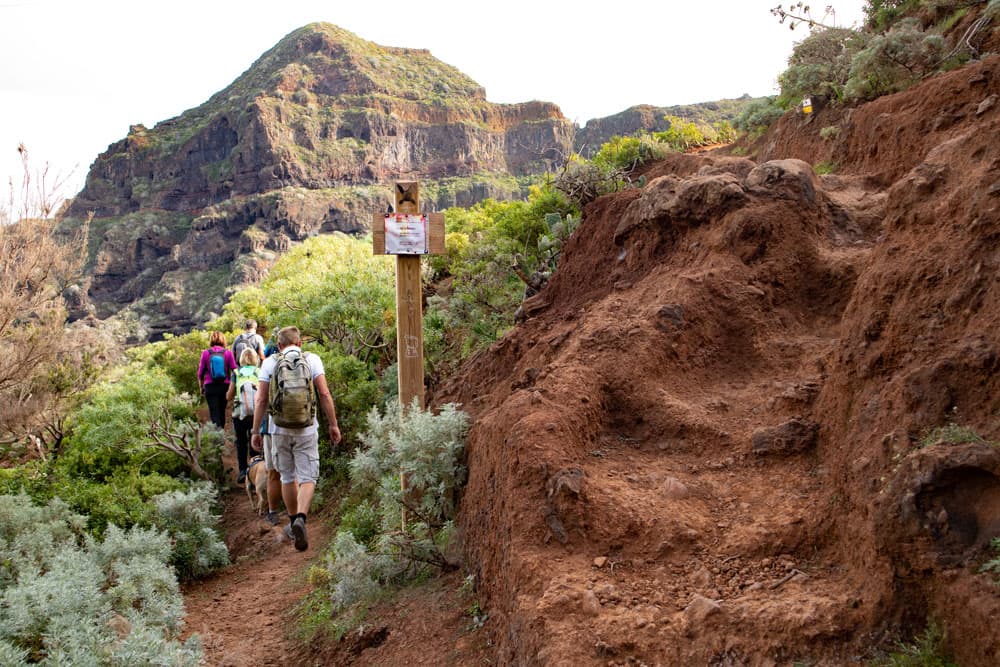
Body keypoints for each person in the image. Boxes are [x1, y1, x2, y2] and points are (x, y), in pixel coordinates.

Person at [251, 326, 341, 551]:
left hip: (278, 429)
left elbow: (261, 399)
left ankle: (293, 522)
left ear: (279, 346)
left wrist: (255, 431)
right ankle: (302, 516)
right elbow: (324, 393)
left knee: (287, 476)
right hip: (307, 428)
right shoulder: (312, 359)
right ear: (300, 343)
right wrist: (333, 424)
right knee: (308, 476)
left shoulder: (270, 362)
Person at [226, 347, 260, 484]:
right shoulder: (259, 372)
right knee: (256, 439)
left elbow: (229, 395)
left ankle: (242, 472)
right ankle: (257, 470)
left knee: (241, 442)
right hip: (257, 413)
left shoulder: (236, 372)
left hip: (240, 413)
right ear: (255, 359)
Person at [197, 331, 237, 430]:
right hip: (224, 386)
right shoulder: (228, 353)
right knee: (222, 411)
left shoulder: (206, 353)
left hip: (210, 387)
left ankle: (217, 435)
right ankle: (222, 432)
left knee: (214, 412)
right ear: (223, 340)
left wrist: (201, 388)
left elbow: (200, 373)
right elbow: (234, 370)